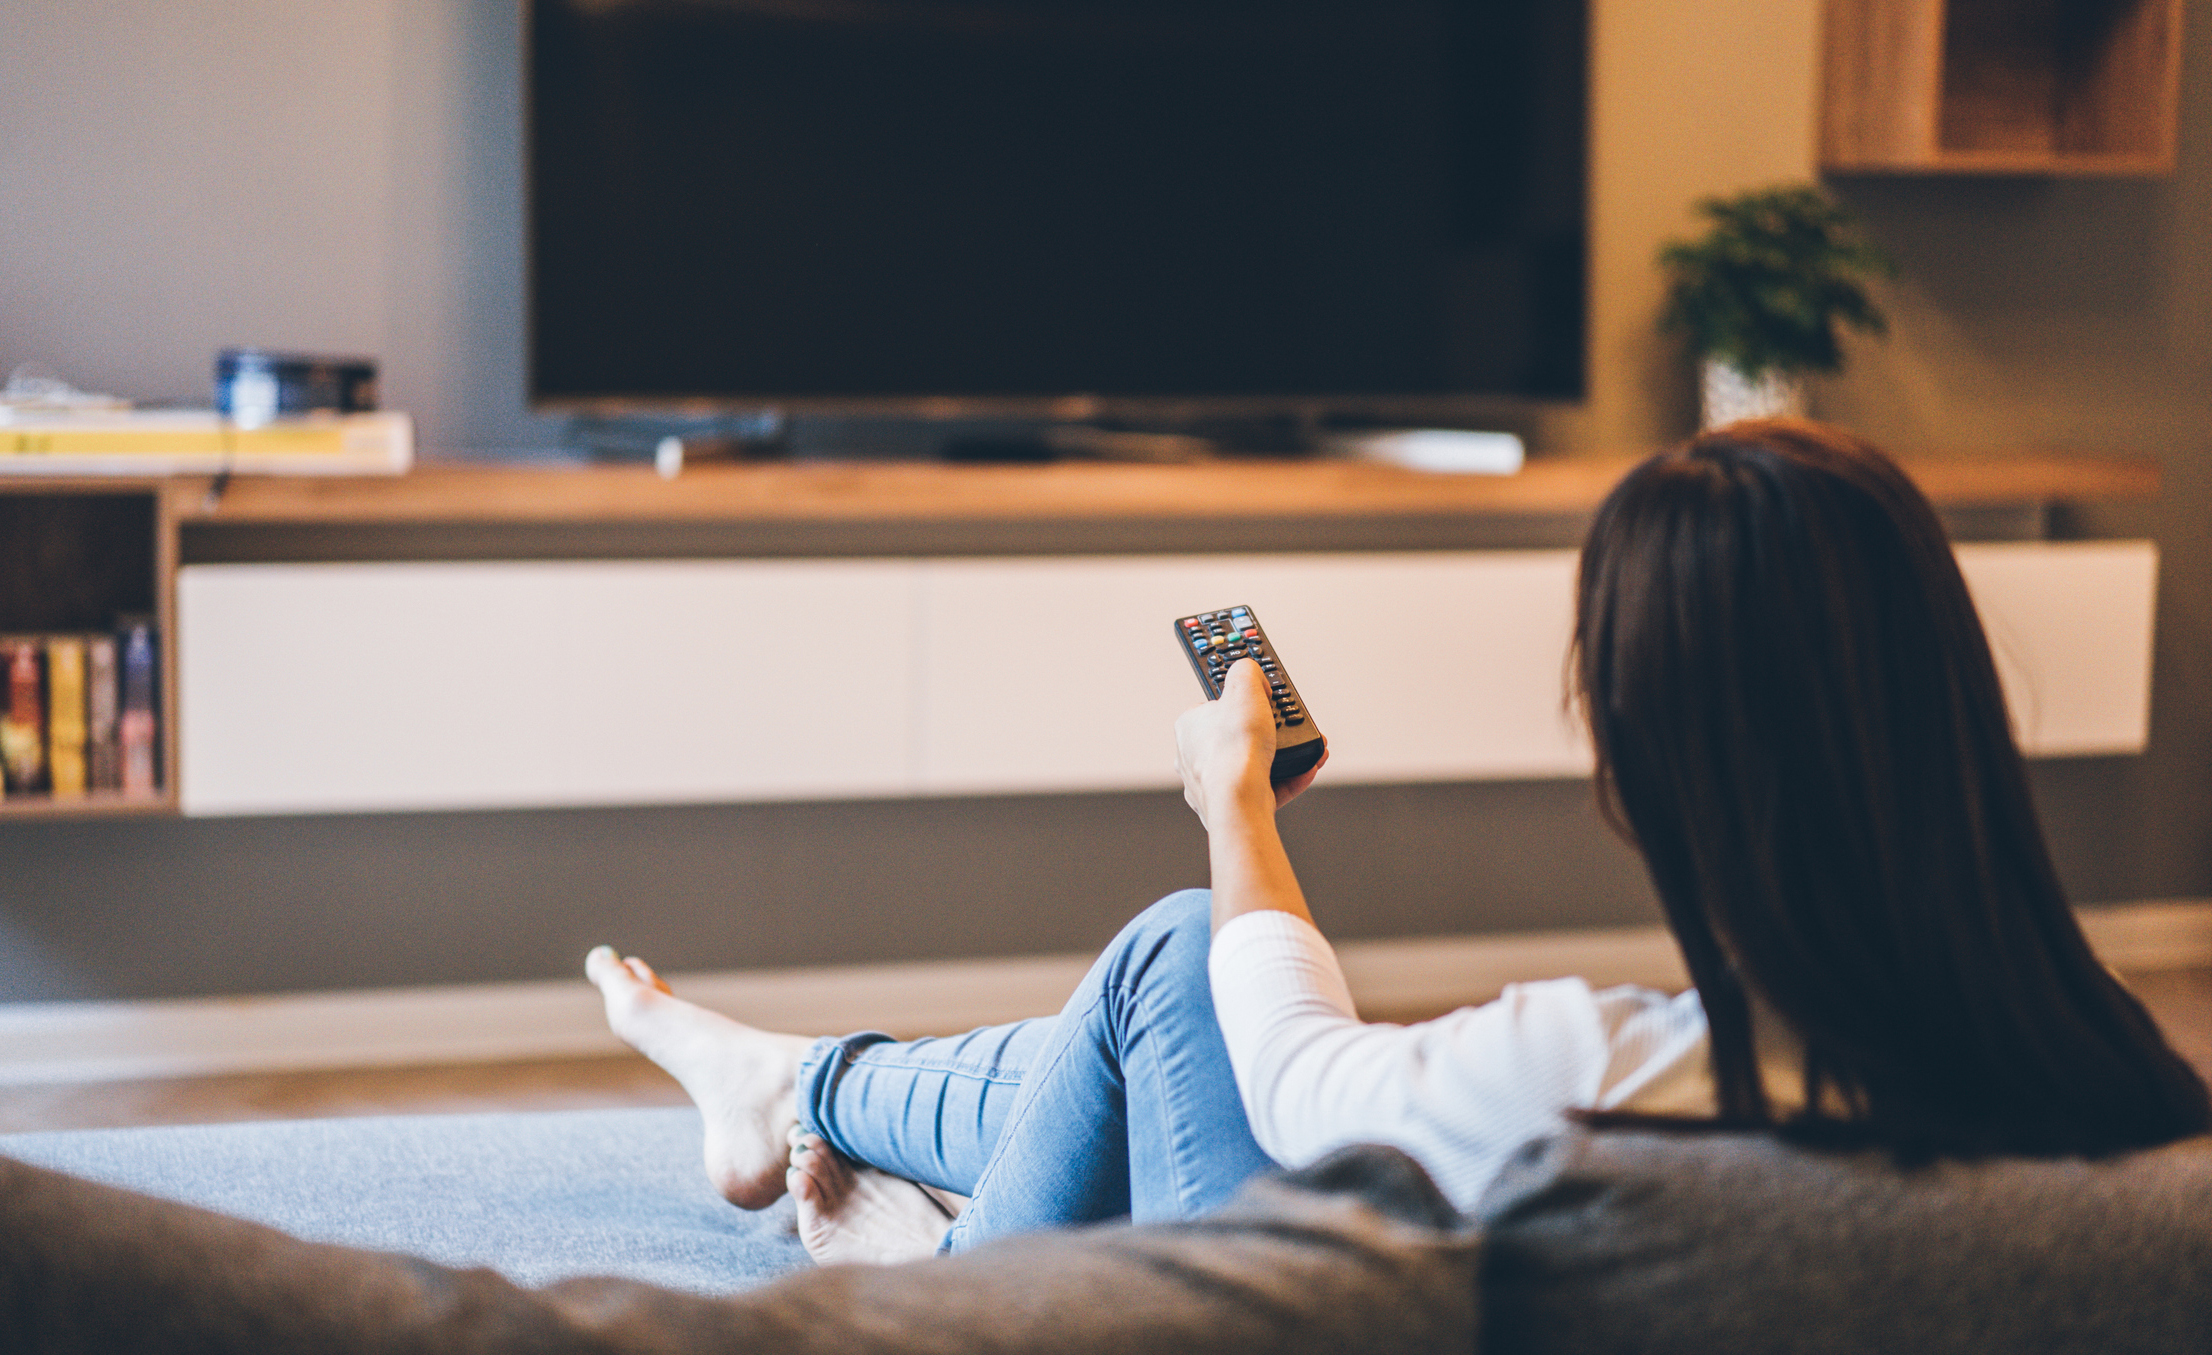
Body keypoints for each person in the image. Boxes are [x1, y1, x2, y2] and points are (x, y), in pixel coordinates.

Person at [587, 418, 2210, 1266]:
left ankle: (921, 1258)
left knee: (1175, 961)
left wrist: (1233, 809)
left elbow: (1299, 1093)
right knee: (1165, 1029)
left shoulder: (1605, 1069)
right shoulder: (2124, 1085)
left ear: (1643, 763)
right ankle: (791, 1082)